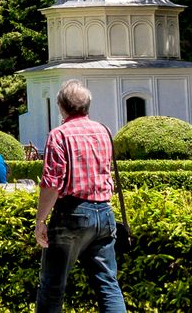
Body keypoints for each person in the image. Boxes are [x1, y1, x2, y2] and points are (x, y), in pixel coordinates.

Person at [33, 78, 126, 313]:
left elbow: (52, 183)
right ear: (87, 106)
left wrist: (40, 220)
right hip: (104, 212)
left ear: (62, 107)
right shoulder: (104, 131)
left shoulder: (59, 135)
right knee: (108, 285)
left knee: (52, 286)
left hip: (72, 213)